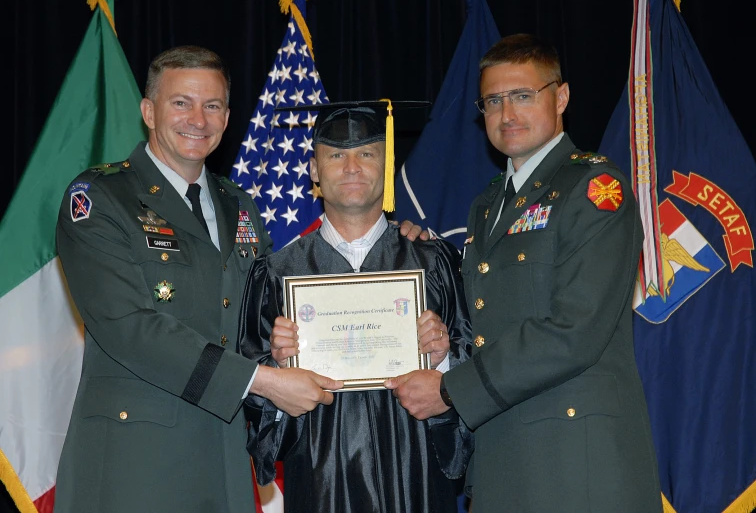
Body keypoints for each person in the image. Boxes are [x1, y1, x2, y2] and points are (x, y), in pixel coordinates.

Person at [53, 46, 345, 513]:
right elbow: (130, 328)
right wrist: (263, 381)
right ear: (149, 111)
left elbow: (270, 311)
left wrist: (394, 245)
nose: (198, 119)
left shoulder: (240, 205)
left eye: (212, 106)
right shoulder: (100, 199)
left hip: (226, 457)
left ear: (227, 118)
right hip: (136, 465)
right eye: (181, 103)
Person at [387, 34, 663, 512]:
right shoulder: (488, 205)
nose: (507, 113)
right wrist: (418, 260)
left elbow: (574, 330)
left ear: (561, 97)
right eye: (493, 100)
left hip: (576, 468)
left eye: (522, 95)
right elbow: (486, 325)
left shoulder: (594, 189)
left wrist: (451, 389)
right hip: (503, 462)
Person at [239, 101, 473, 513]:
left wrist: (442, 365)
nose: (351, 167)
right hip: (319, 479)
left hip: (414, 477)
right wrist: (278, 369)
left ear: (386, 165)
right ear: (314, 171)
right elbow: (256, 406)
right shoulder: (276, 274)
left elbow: (477, 367)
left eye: (366, 154)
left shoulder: (433, 263)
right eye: (335, 155)